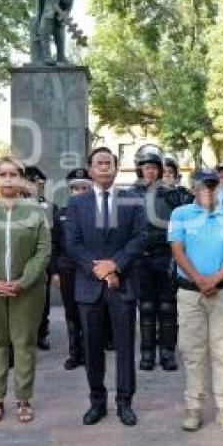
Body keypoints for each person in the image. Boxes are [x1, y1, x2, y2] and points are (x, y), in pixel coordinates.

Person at [66, 147, 146, 427]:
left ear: (115, 168)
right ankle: (97, 402)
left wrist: (116, 265)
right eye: (98, 163)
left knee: (125, 347)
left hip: (122, 285)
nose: (103, 167)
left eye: (108, 163)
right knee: (92, 348)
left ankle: (125, 403)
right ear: (90, 170)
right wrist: (98, 269)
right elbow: (72, 244)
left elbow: (140, 238)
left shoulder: (132, 200)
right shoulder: (76, 204)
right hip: (89, 287)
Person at [0, 156, 50, 424]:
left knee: (24, 343)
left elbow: (43, 250)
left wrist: (23, 281)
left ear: (21, 178)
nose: (8, 179)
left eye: (13, 174)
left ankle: (24, 399)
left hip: (27, 290)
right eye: (2, 174)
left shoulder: (36, 211)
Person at [170, 169, 223, 432]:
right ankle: (194, 408)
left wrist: (214, 279)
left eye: (213, 186)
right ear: (194, 189)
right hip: (191, 293)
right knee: (192, 352)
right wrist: (200, 280)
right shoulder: (180, 214)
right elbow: (177, 250)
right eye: (204, 186)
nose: (209, 190)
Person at [129, 144, 190, 372]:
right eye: (146, 167)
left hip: (166, 255)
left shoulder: (172, 194)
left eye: (154, 167)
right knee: (145, 307)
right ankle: (147, 352)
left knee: (167, 307)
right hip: (141, 257)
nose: (150, 171)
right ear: (139, 170)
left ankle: (167, 352)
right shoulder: (129, 195)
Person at [54, 168, 92, 369]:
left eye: (84, 188)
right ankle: (74, 354)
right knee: (71, 313)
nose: (79, 191)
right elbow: (54, 244)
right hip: (67, 270)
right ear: (70, 191)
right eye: (75, 188)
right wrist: (55, 271)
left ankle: (89, 353)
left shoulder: (99, 214)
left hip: (89, 271)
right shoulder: (61, 214)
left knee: (90, 312)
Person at [25, 165, 56, 351]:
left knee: (42, 300)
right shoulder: (13, 204)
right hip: (20, 258)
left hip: (43, 258)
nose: (33, 185)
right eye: (30, 181)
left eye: (36, 182)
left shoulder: (48, 206)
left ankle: (41, 333)